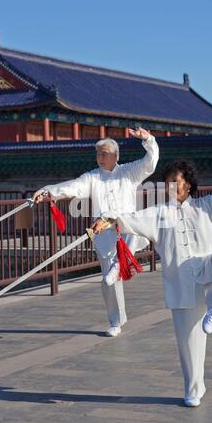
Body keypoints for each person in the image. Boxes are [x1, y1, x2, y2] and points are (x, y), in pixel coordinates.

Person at [93, 153, 212, 406]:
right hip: (182, 281)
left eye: (175, 181)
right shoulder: (160, 214)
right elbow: (131, 219)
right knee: (188, 343)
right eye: (167, 182)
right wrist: (107, 220)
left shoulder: (210, 206)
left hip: (208, 269)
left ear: (188, 184)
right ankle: (194, 390)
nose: (170, 186)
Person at [33, 128, 159, 337]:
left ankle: (121, 262)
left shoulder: (129, 172)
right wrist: (47, 192)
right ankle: (116, 321)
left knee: (137, 228)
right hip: (103, 232)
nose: (100, 158)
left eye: (104, 154)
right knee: (108, 281)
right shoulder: (92, 177)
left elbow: (151, 162)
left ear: (115, 156)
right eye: (98, 154)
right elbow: (72, 187)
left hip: (127, 229)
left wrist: (148, 139)